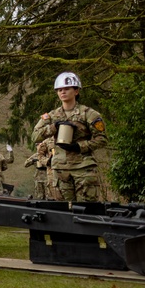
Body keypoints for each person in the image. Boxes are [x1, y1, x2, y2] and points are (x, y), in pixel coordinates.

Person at [31, 72, 107, 202]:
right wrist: (54, 127)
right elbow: (35, 137)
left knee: (86, 209)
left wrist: (79, 146)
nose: (63, 92)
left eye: (67, 89)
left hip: (83, 168)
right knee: (63, 211)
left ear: (76, 91)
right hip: (60, 170)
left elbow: (102, 139)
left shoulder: (89, 114)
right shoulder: (51, 116)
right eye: (60, 90)